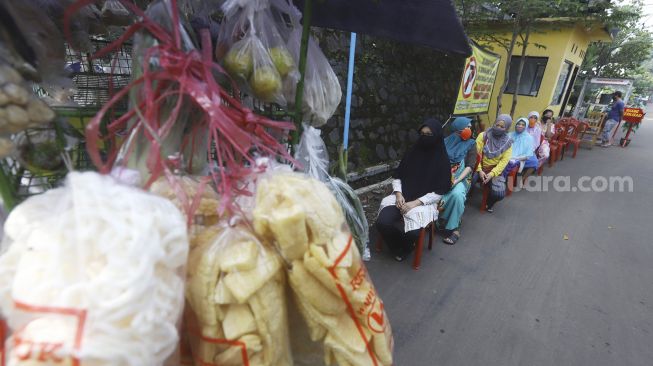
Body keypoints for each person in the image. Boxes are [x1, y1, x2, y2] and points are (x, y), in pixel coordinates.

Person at [377, 118, 451, 261]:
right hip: (402, 196)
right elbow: (398, 176)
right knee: (382, 222)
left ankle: (406, 246)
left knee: (413, 233)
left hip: (423, 202)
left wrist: (415, 203)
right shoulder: (412, 152)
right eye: (422, 134)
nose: (425, 137)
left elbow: (440, 191)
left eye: (429, 134)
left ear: (437, 136)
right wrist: (398, 194)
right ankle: (402, 247)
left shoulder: (442, 161)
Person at [440, 117, 477, 245]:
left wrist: (456, 180)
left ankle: (455, 229)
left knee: (457, 194)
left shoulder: (471, 144)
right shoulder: (444, 142)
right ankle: (435, 220)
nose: (470, 129)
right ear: (458, 129)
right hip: (441, 176)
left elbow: (470, 166)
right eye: (467, 127)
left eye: (470, 127)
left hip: (461, 178)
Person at [475, 114, 513, 213]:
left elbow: (504, 161)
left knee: (499, 194)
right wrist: (479, 170)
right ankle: (460, 203)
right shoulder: (483, 135)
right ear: (494, 123)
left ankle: (489, 203)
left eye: (502, 127)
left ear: (507, 128)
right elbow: (476, 153)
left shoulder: (508, 142)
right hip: (478, 166)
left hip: (494, 170)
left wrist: (492, 174)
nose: (498, 128)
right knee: (468, 184)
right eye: (497, 125)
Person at [509, 117, 539, 182]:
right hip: (509, 155)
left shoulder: (529, 138)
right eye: (518, 124)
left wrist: (517, 158)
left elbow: (528, 155)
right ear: (515, 125)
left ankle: (523, 179)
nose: (520, 126)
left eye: (523, 125)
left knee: (534, 162)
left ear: (526, 127)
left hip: (523, 156)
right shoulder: (510, 135)